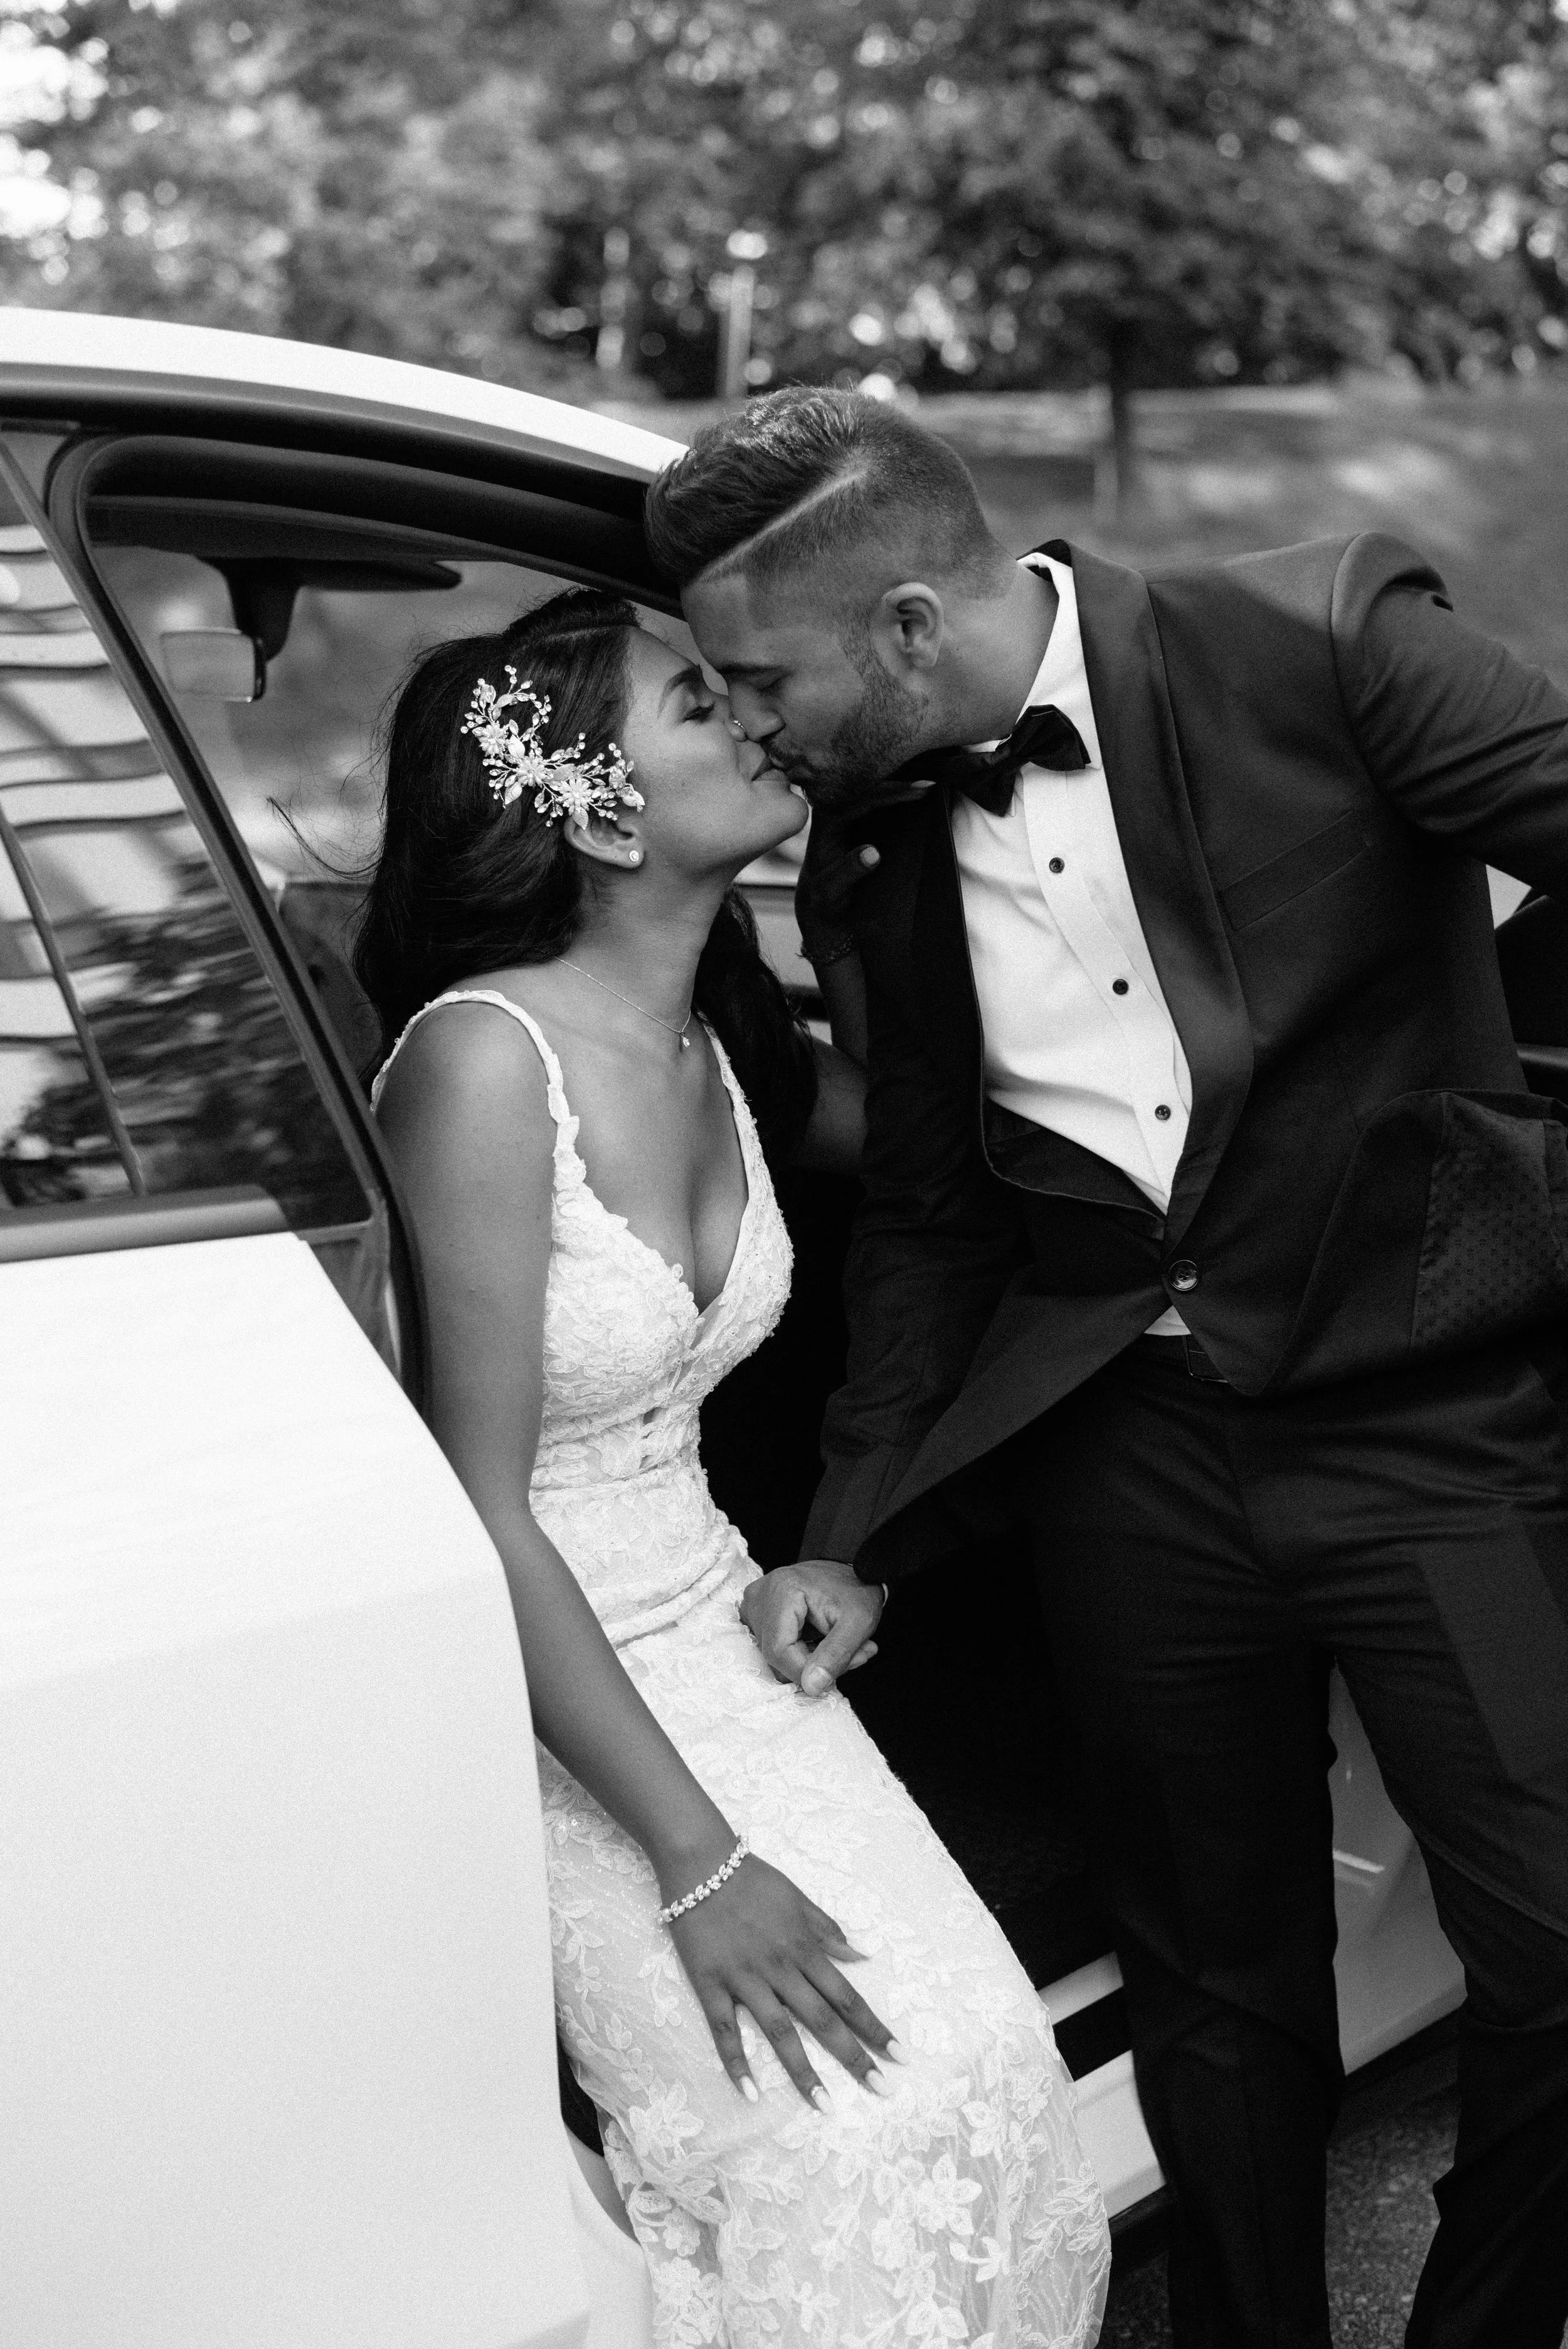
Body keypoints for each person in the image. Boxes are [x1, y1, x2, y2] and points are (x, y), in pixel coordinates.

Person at [645, 387, 1568, 2349]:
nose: (755, 727)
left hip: (1423, 1424)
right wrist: (851, 1521)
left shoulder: (1317, 643)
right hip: (1124, 1453)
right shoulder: (869, 864)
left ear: (901, 625)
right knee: (1211, 1985)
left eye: (760, 676)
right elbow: (922, 1225)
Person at [359, 585, 1110, 2349]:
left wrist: (801, 1564)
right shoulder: (483, 1062)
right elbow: (476, 1509)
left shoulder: (719, 1047)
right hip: (543, 1699)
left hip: (716, 1628)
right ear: (600, 805)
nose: (757, 722)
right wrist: (698, 1863)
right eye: (702, 707)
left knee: (989, 2064)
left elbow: (951, 1152)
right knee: (842, 2150)